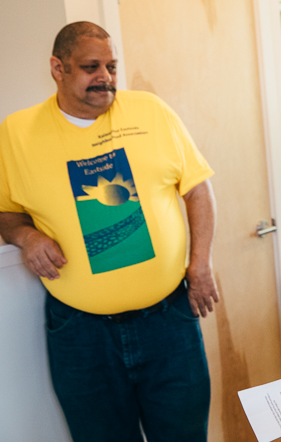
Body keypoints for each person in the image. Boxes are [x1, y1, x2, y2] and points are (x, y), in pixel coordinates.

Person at [0, 22, 219, 442]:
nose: (105, 77)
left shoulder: (150, 112)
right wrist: (28, 238)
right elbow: (6, 212)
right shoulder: (17, 133)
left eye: (111, 66)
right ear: (57, 68)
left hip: (169, 322)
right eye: (90, 66)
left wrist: (201, 263)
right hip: (81, 336)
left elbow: (197, 188)